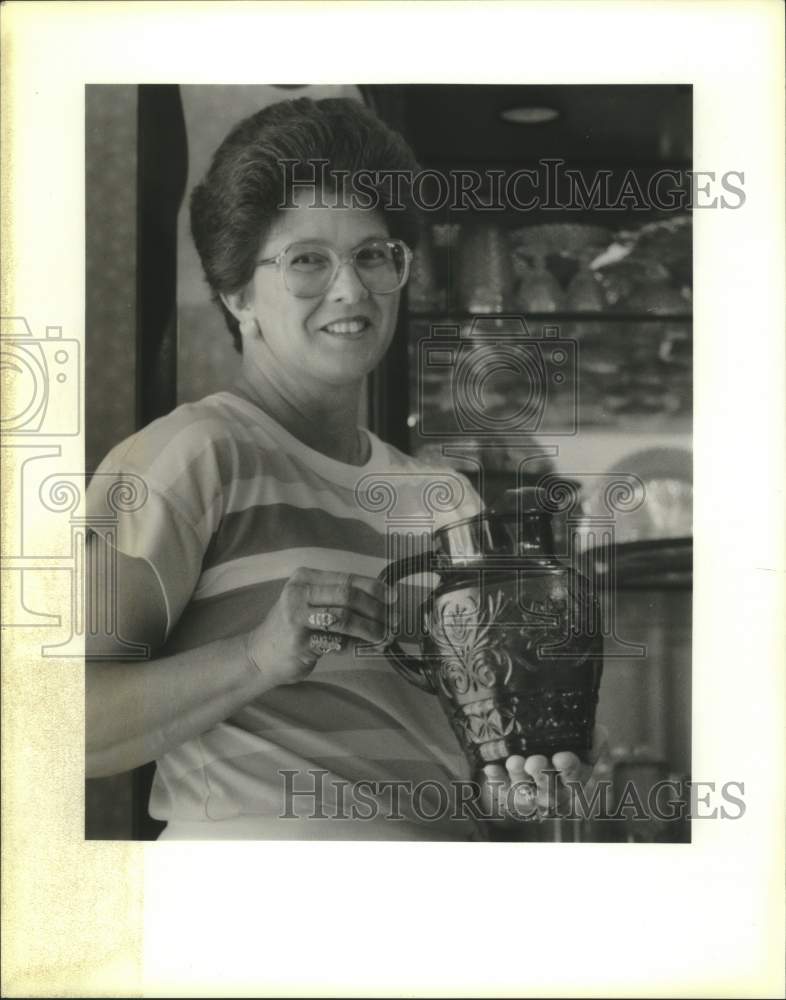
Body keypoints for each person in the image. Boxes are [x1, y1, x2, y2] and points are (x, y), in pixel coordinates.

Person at [85, 97, 596, 840]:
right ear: (236, 293)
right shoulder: (195, 457)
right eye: (307, 261)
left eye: (372, 255)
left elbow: (468, 770)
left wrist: (522, 793)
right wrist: (256, 658)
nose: (351, 289)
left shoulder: (443, 499)